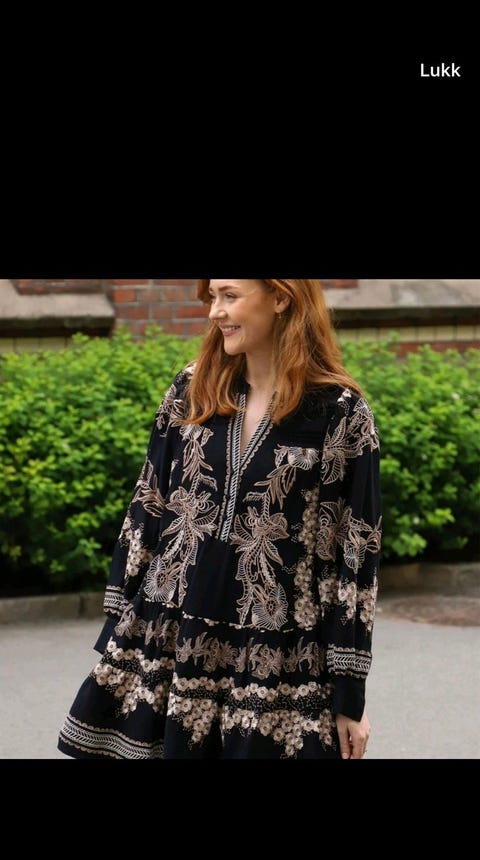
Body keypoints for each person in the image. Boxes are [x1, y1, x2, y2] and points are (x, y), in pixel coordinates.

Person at [58, 279, 381, 760]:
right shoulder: (192, 388)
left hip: (277, 656)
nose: (215, 311)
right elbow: (148, 506)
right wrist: (118, 629)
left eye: (230, 296)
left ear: (281, 297)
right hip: (172, 636)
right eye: (212, 296)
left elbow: (355, 556)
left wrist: (349, 695)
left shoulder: (341, 413)